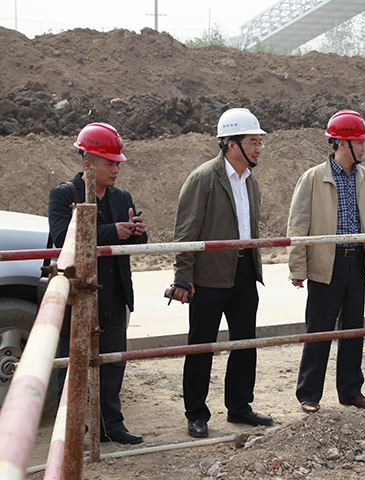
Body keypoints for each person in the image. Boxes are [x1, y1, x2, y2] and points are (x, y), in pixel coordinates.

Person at [169, 108, 272, 438]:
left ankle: (239, 406)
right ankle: (196, 413)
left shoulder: (250, 181)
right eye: (252, 142)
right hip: (209, 276)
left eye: (259, 142)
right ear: (230, 144)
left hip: (244, 271)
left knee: (245, 343)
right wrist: (183, 276)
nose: (258, 148)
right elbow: (186, 232)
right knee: (201, 346)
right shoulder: (203, 179)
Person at [49, 122, 147, 445]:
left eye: (118, 163)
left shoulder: (122, 197)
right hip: (80, 295)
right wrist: (111, 232)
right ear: (88, 163)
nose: (116, 169)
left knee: (113, 363)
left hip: (115, 296)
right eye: (110, 163)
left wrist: (137, 232)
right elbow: (63, 238)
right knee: (73, 366)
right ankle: (73, 428)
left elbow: (134, 244)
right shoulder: (64, 195)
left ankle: (110, 425)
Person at [287, 110, 365, 414]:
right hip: (326, 263)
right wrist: (298, 268)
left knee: (353, 331)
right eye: (360, 142)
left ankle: (350, 390)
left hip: (356, 262)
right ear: (343, 143)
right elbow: (298, 225)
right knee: (320, 331)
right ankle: (309, 393)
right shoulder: (313, 178)